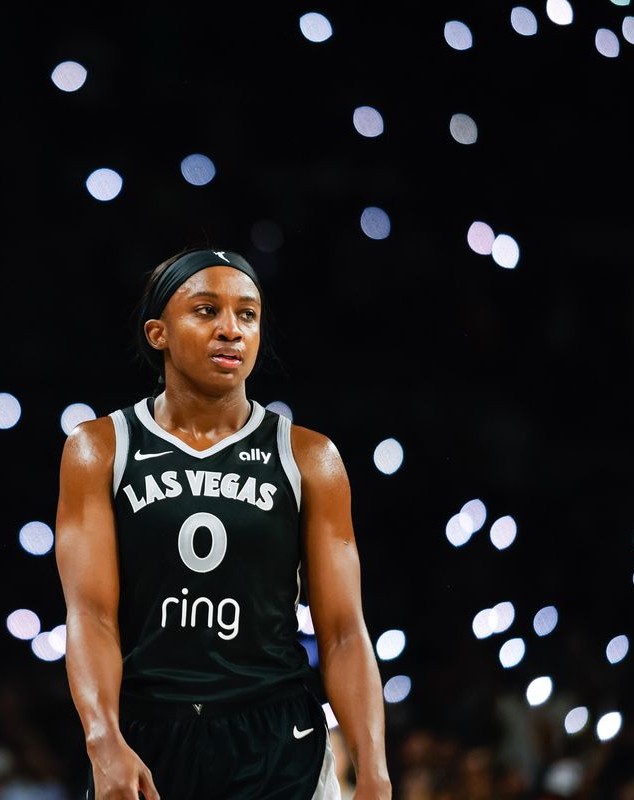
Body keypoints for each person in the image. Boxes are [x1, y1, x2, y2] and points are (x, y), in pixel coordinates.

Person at [54, 247, 392, 799]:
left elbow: (343, 632)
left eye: (248, 314)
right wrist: (103, 739)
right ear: (158, 333)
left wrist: (372, 768)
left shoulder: (310, 457)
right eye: (207, 311)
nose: (231, 330)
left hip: (278, 738)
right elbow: (90, 615)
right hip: (148, 735)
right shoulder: (99, 448)